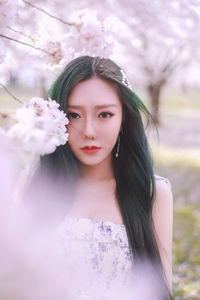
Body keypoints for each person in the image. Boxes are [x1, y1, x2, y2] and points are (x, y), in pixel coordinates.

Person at [33, 56, 173, 299]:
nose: (88, 131)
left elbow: (159, 290)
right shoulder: (35, 186)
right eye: (73, 115)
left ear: (124, 120)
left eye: (104, 115)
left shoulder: (152, 193)